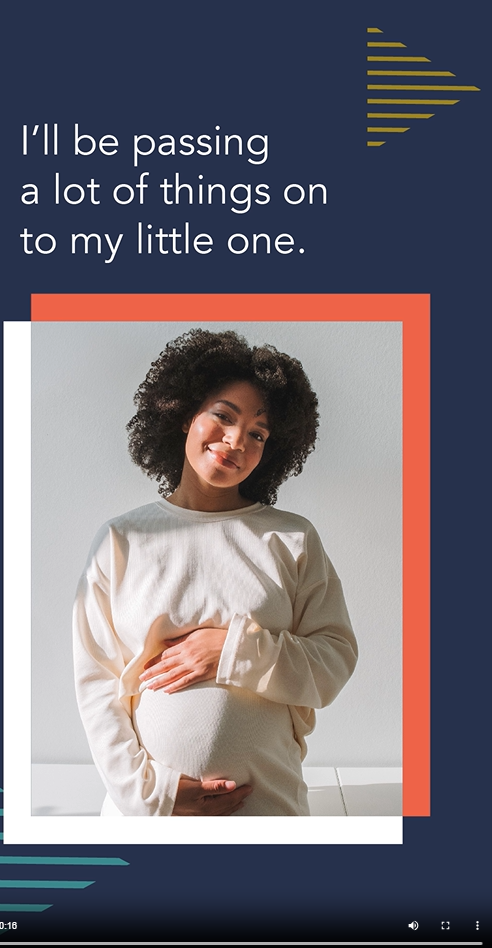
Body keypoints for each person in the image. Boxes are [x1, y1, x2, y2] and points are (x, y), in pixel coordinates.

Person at [73, 328, 357, 816]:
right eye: (224, 416)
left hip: (267, 810)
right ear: (186, 414)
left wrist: (232, 650)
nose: (235, 441)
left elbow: (334, 661)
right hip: (147, 821)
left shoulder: (291, 538)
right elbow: (97, 684)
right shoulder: (122, 539)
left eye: (258, 434)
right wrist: (152, 796)